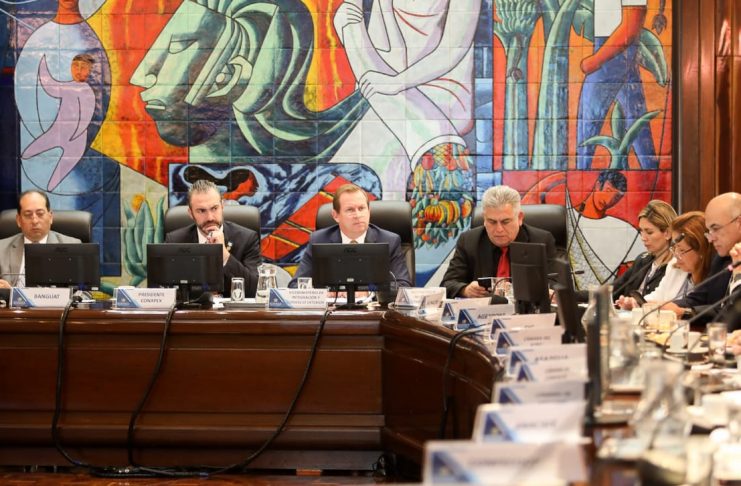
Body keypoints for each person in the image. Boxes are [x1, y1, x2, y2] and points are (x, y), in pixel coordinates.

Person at [442, 185, 556, 299]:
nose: (499, 229)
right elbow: (447, 284)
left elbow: (555, 283)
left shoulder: (541, 241)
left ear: (520, 218)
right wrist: (465, 290)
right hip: (483, 309)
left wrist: (543, 291)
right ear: (484, 219)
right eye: (492, 222)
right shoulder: (468, 241)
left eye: (505, 222)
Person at [290, 184, 412, 288]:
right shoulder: (319, 240)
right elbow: (295, 285)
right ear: (335, 216)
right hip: (333, 308)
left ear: (369, 211)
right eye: (350, 210)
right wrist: (327, 293)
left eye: (361, 208)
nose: (357, 215)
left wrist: (367, 292)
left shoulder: (389, 241)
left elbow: (403, 285)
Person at [165, 180, 261, 298]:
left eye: (214, 208)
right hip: (195, 308)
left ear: (222, 206)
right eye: (201, 211)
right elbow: (167, 291)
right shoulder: (175, 241)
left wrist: (225, 255)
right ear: (190, 213)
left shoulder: (247, 239)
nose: (210, 217)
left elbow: (255, 290)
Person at [21, 54, 96, 191]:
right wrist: (42, 66)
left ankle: (51, 187)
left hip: (76, 139)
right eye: (75, 66)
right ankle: (48, 184)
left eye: (83, 67)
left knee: (58, 175)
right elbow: (50, 86)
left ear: (89, 71)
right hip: (56, 132)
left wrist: (75, 134)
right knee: (26, 154)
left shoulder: (87, 92)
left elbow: (86, 116)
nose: (78, 70)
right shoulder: (68, 87)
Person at [664, 192, 741, 320]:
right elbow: (698, 298)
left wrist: (686, 312)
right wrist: (664, 307)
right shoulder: (721, 259)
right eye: (709, 231)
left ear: (739, 223)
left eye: (716, 228)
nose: (710, 239)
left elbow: (732, 312)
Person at [624, 212, 711, 309]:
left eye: (681, 250)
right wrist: (636, 303)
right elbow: (659, 295)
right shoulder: (674, 265)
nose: (676, 255)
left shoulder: (715, 276)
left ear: (701, 249)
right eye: (674, 247)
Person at [0, 190, 81, 288]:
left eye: (40, 214)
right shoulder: (1, 248)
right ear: (18, 220)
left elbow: (80, 290)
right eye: (28, 215)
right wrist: (7, 292)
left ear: (50, 217)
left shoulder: (72, 246)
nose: (35, 221)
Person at [614, 200, 677, 307]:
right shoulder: (642, 260)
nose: (643, 238)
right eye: (641, 231)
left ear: (667, 233)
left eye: (649, 232)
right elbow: (613, 290)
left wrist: (633, 303)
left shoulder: (677, 265)